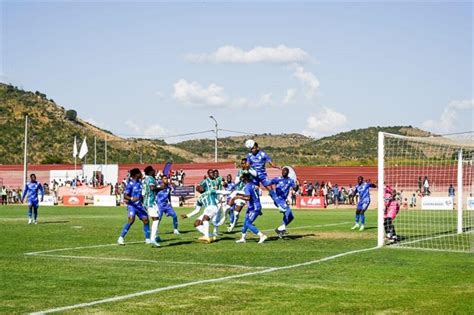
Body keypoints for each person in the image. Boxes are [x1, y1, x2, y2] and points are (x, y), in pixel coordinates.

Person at [231, 173, 268, 244]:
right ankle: (242, 238)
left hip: (254, 208)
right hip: (253, 207)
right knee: (245, 222)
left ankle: (262, 235)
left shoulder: (247, 186)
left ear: (245, 179)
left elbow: (248, 198)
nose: (241, 180)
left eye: (242, 178)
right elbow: (252, 195)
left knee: (248, 223)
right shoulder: (253, 185)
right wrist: (240, 195)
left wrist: (238, 197)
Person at [117, 168, 150, 245]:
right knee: (131, 220)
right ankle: (121, 238)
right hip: (132, 205)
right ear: (136, 175)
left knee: (146, 220)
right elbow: (125, 196)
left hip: (139, 205)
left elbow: (141, 195)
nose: (141, 175)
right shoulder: (130, 184)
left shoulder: (140, 183)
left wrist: (144, 203)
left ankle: (148, 239)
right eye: (139, 173)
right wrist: (131, 198)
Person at [227, 159, 256, 232]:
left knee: (236, 213)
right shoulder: (240, 171)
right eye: (242, 163)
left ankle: (233, 224)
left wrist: (248, 169)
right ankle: (227, 214)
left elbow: (255, 175)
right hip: (238, 191)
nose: (243, 165)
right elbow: (236, 181)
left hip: (246, 192)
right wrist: (239, 179)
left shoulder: (251, 169)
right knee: (229, 206)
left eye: (244, 163)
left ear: (247, 163)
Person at [271, 167, 296, 238]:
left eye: (285, 171)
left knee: (291, 217)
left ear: (287, 173)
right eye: (283, 171)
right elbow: (268, 183)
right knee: (288, 210)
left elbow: (295, 188)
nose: (283, 172)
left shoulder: (290, 180)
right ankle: (282, 228)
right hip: (278, 199)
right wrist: (272, 193)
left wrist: (296, 186)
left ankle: (280, 229)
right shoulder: (277, 179)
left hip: (284, 200)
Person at [143, 166, 160, 247]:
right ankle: (153, 238)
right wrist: (160, 188)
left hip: (149, 202)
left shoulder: (146, 179)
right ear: (150, 172)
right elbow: (152, 188)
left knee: (155, 219)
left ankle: (155, 237)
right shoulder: (150, 179)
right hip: (151, 202)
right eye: (153, 170)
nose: (155, 171)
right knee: (156, 219)